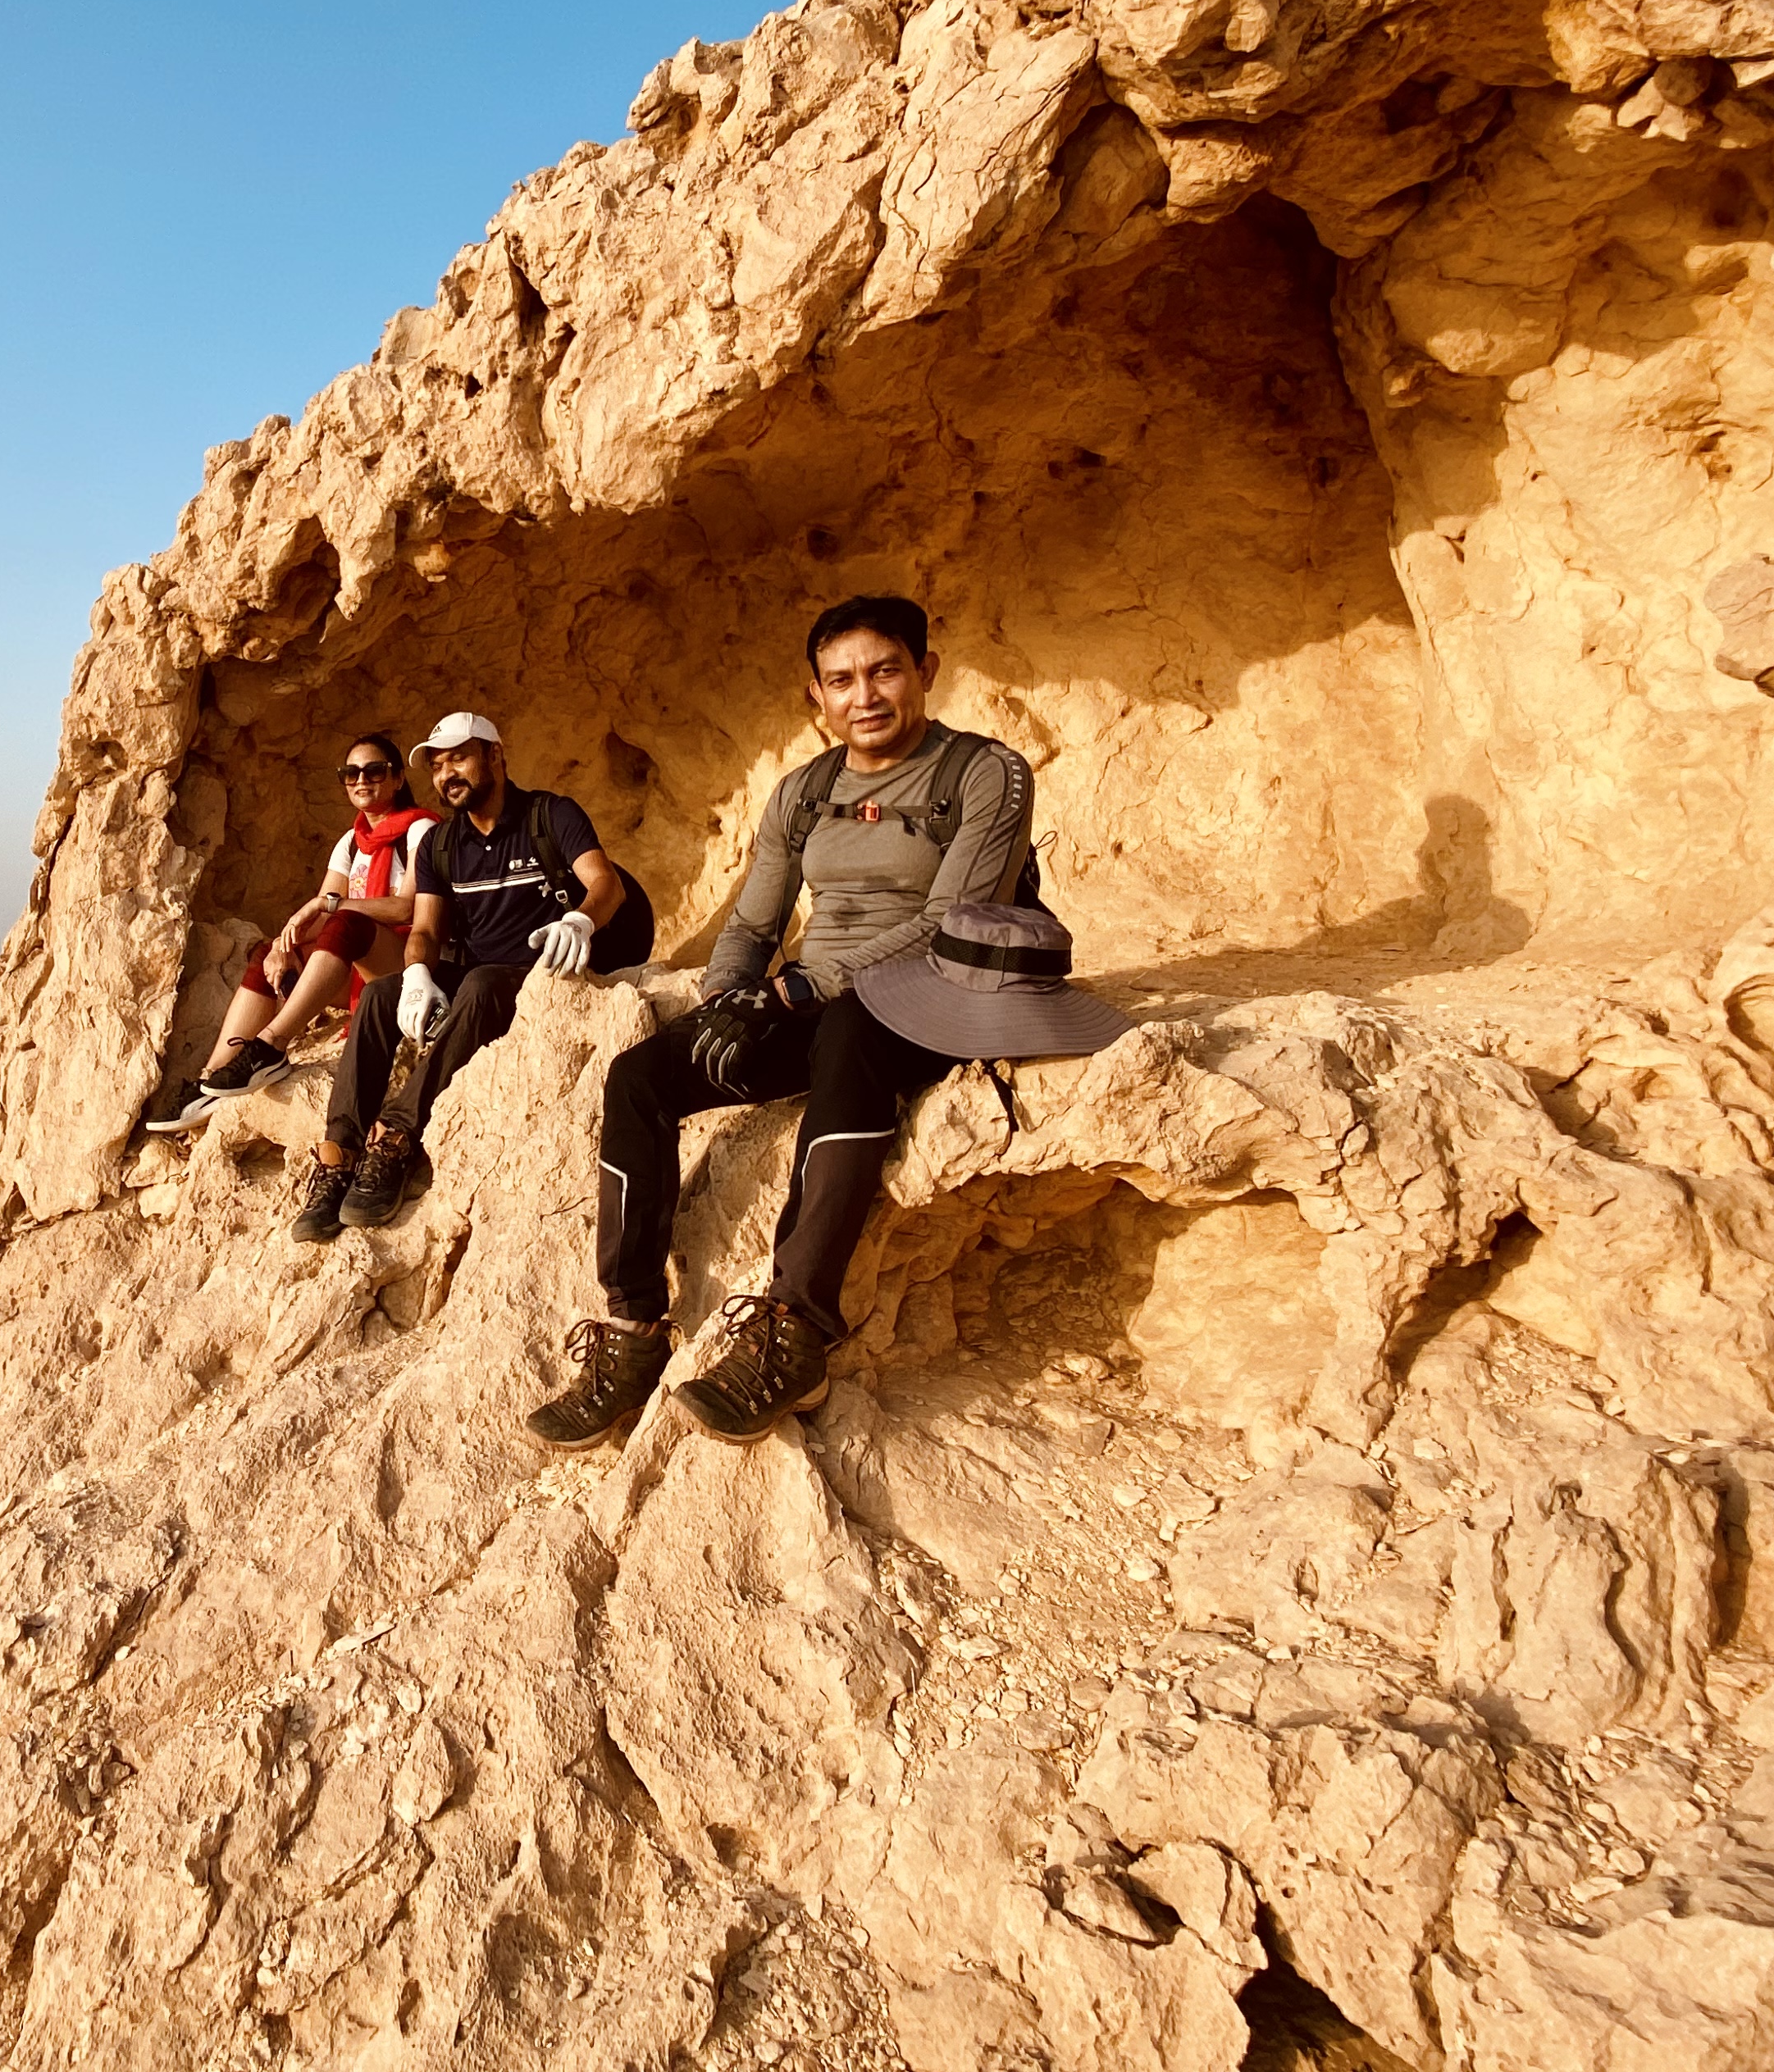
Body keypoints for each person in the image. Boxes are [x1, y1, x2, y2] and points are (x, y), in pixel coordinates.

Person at [527, 593, 1126, 1448]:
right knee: (641, 1077)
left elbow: (955, 916)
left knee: (850, 1038)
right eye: (841, 680)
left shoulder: (984, 773)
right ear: (816, 695)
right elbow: (752, 924)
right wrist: (731, 995)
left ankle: (796, 1329)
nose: (865, 695)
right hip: (813, 994)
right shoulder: (804, 792)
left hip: (936, 989)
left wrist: (799, 991)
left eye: (884, 671)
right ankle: (632, 1330)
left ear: (925, 673)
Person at [291, 710, 650, 1242]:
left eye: (459, 757)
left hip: (551, 973)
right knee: (380, 995)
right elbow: (429, 929)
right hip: (482, 973)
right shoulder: (442, 845)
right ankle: (340, 1151)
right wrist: (416, 973)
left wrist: (580, 920)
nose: (446, 774)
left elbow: (606, 886)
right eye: (436, 765)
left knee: (481, 985)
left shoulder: (549, 815)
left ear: (496, 756)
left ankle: (396, 1135)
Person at [149, 735, 436, 1132]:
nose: (361, 780)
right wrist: (286, 943)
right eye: (351, 773)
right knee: (267, 953)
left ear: (398, 778)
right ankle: (212, 1078)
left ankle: (271, 1045)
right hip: (358, 965)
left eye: (375, 771)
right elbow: (318, 916)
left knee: (346, 923)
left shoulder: (420, 830)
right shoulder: (351, 844)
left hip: (405, 965)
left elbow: (405, 907)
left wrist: (329, 906)